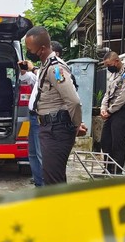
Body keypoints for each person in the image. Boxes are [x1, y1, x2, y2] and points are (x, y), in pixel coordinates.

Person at [24, 26, 87, 185]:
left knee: (54, 179)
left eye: (30, 49)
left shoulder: (56, 68)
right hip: (50, 127)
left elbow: (73, 101)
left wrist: (77, 125)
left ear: (42, 49)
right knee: (51, 175)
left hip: (57, 128)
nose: (29, 52)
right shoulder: (46, 65)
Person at [100, 51, 125, 174]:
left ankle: (116, 172)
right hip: (110, 112)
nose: (108, 67)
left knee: (117, 142)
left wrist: (109, 111)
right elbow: (107, 93)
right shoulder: (113, 75)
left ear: (116, 61)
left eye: (109, 64)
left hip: (122, 111)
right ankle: (107, 169)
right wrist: (103, 108)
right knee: (105, 141)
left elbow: (123, 97)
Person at [19, 60, 42, 187]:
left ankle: (45, 187)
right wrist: (23, 69)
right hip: (33, 116)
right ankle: (38, 183)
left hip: (41, 117)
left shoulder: (55, 69)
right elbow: (25, 78)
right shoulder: (39, 73)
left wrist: (34, 68)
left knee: (40, 153)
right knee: (32, 153)